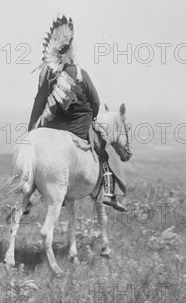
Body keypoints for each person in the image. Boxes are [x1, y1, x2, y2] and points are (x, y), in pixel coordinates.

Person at [28, 15, 126, 212]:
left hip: (52, 126)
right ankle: (108, 193)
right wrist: (92, 119)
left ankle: (27, 195)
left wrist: (31, 129)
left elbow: (38, 105)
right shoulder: (80, 73)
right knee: (105, 153)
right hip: (79, 127)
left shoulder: (47, 75)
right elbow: (96, 102)